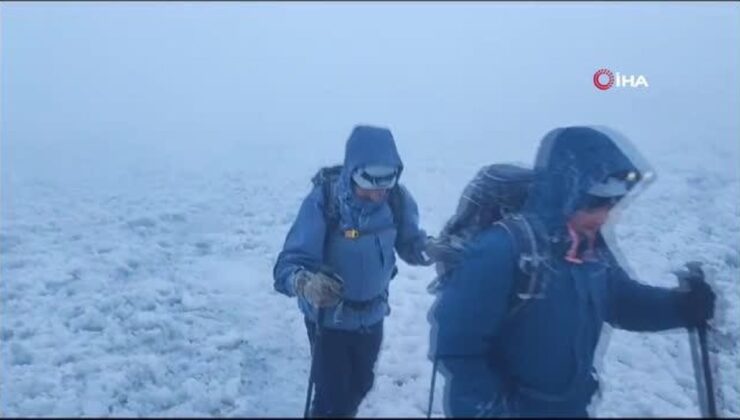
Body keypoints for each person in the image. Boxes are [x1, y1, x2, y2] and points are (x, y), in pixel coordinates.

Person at [427, 126, 716, 417]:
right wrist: (493, 410)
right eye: (595, 202)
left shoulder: (590, 247)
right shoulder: (503, 250)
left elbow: (620, 301)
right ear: (566, 189)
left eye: (612, 203)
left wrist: (680, 307)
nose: (604, 214)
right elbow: (457, 346)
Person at [274, 124, 433, 417]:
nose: (377, 195)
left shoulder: (396, 200)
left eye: (385, 185)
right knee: (332, 397)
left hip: (372, 316)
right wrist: (305, 282)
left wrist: (432, 251)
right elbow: (287, 264)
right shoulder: (325, 201)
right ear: (352, 172)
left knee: (360, 385)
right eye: (368, 185)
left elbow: (410, 243)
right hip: (329, 322)